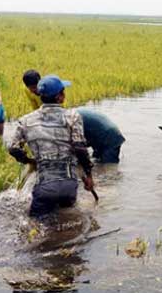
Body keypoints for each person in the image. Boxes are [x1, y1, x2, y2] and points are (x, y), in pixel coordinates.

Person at [7, 75, 96, 217]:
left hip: (44, 186)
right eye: (63, 92)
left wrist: (29, 161)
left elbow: (13, 148)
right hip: (69, 185)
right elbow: (80, 149)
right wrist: (89, 176)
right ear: (60, 97)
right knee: (68, 220)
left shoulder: (25, 120)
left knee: (35, 227)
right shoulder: (73, 117)